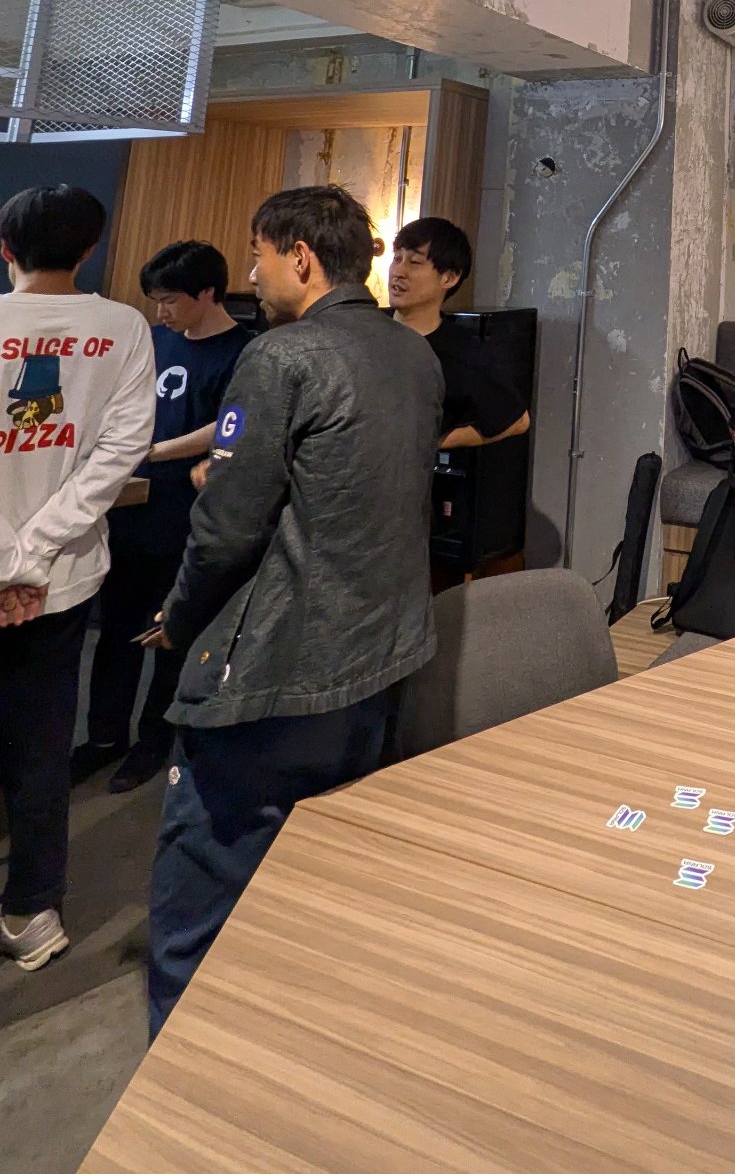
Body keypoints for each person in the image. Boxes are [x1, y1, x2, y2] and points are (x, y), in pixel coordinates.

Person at [144, 184, 443, 1036]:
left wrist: (178, 619)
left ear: (301, 258)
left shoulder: (281, 356)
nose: (252, 273)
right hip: (379, 658)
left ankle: (181, 1078)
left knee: (199, 905)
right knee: (313, 883)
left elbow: (224, 532)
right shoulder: (413, 352)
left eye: (259, 254)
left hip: (277, 672)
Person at [0, 185, 156, 972]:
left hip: (24, 577)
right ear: (90, 249)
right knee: (40, 747)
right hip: (60, 582)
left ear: (5, 250)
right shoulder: (124, 327)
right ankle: (32, 910)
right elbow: (117, 456)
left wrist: (6, 558)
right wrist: (31, 557)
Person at [77, 242, 250, 794]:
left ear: (208, 293)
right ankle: (104, 737)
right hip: (132, 510)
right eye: (156, 300)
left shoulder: (244, 351)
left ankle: (154, 740)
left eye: (171, 299)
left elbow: (231, 423)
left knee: (172, 634)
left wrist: (154, 451)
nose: (161, 311)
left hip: (188, 516)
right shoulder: (154, 341)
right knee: (117, 631)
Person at [387, 215, 529, 449]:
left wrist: (432, 443)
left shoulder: (463, 352)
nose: (398, 271)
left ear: (449, 277)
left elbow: (518, 421)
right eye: (397, 258)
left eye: (414, 262)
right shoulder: (365, 325)